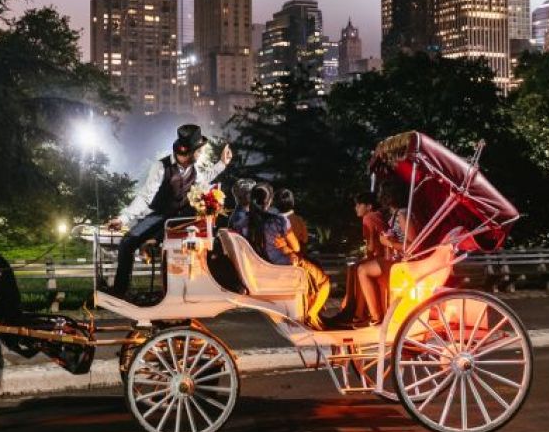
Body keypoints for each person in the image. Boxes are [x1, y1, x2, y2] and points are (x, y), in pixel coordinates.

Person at [104, 124, 232, 296]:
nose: (201, 154)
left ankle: (184, 284)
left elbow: (204, 180)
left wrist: (222, 164)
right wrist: (123, 218)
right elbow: (145, 197)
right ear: (190, 152)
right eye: (199, 151)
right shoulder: (161, 167)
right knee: (127, 243)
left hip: (180, 218)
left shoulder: (194, 170)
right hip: (158, 215)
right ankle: (119, 292)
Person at [247, 185, 329, 328]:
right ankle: (311, 315)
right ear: (270, 201)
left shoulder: (248, 221)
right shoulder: (279, 221)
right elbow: (297, 247)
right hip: (284, 263)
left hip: (264, 264)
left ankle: (312, 313)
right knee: (324, 282)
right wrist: (286, 247)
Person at [354, 177, 416, 325]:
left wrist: (390, 243)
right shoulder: (395, 214)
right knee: (364, 268)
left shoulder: (402, 214)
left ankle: (375, 316)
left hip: (404, 262)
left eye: (382, 193)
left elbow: (412, 245)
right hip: (396, 259)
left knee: (363, 270)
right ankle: (370, 313)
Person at [326, 190, 387, 327]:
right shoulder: (378, 216)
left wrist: (366, 258)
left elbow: (371, 247)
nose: (356, 208)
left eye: (359, 205)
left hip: (381, 258)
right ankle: (354, 310)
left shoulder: (368, 218)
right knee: (354, 267)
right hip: (382, 256)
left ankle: (360, 313)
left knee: (358, 268)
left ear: (369, 206)